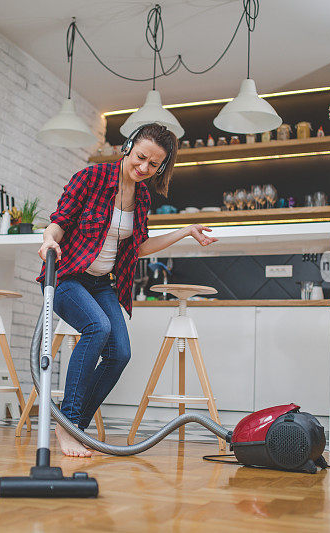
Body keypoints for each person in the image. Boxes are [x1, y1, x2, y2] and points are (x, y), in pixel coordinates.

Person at [37, 123, 217, 457]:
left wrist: (186, 230)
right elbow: (60, 221)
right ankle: (66, 425)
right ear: (129, 147)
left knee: (120, 353)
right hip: (67, 278)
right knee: (98, 328)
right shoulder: (91, 178)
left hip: (102, 284)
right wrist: (49, 239)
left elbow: (141, 246)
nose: (144, 168)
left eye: (154, 165)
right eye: (141, 157)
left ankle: (76, 427)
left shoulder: (143, 196)